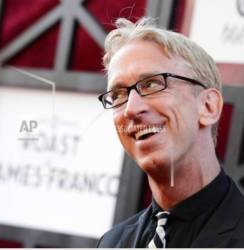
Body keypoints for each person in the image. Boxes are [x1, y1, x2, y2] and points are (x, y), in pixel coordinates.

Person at [97, 17, 244, 248]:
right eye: (117, 95)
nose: (131, 109)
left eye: (152, 84)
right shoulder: (111, 243)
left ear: (208, 106)